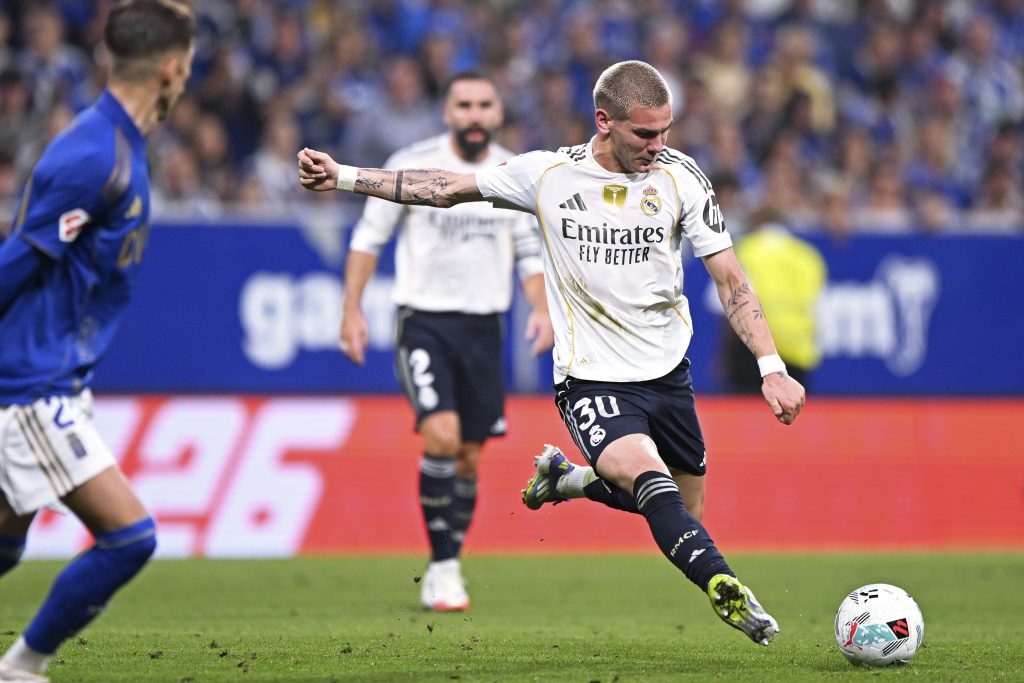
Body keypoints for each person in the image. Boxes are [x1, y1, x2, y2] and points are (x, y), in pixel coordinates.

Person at [299, 60, 805, 646]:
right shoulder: (548, 174)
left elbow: (731, 281)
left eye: (666, 131)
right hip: (591, 381)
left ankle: (567, 482)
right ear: (604, 121)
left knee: (682, 511)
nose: (658, 145)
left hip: (668, 375)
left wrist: (772, 367)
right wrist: (342, 177)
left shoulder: (682, 177)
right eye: (645, 133)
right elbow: (441, 188)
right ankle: (729, 591)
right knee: (650, 480)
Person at [0, 3, 196, 681]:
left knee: (2, 543)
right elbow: (15, 263)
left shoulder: (118, 146)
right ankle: (21, 667)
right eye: (190, 61)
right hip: (32, 385)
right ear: (173, 68)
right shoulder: (94, 156)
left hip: (51, 377)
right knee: (130, 535)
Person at [339, 71, 552, 612]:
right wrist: (351, 309)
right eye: (464, 104)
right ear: (447, 112)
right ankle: (443, 566)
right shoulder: (412, 163)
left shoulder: (515, 173)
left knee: (468, 457)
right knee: (441, 434)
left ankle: (448, 559)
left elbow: (530, 252)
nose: (475, 114)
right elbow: (369, 238)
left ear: (499, 112)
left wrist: (543, 307)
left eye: (485, 104)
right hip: (424, 322)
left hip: (485, 328)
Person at [722, 206, 827, 393]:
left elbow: (732, 303)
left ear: (756, 224)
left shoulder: (746, 250)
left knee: (745, 418)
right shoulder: (808, 256)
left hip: (752, 350)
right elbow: (818, 307)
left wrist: (724, 354)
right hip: (797, 350)